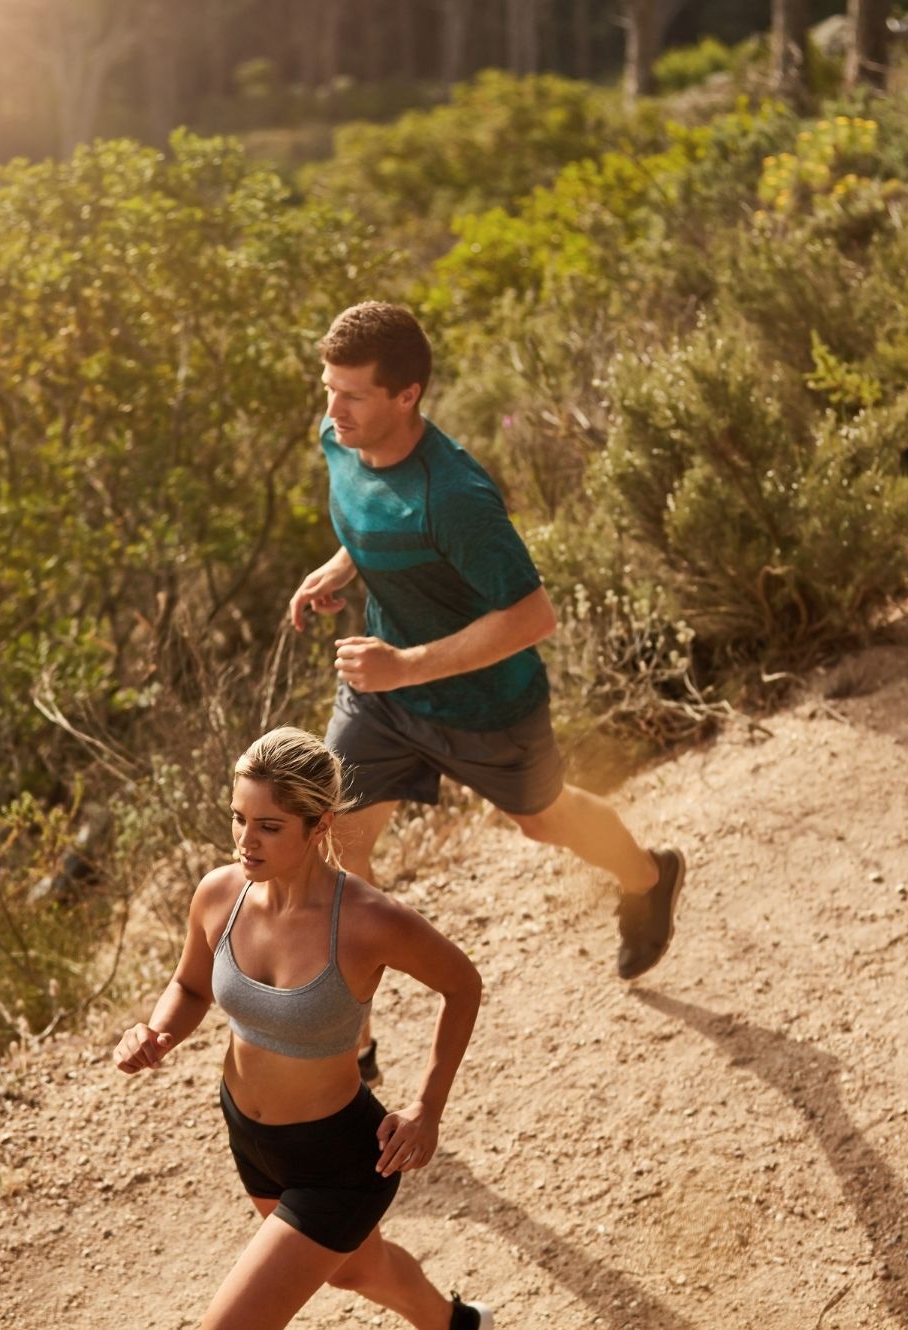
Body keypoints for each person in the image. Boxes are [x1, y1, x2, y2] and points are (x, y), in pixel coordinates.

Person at [288, 302, 685, 1055]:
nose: (333, 410)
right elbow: (366, 517)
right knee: (335, 836)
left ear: (407, 395)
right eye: (327, 387)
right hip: (381, 697)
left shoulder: (456, 498)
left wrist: (406, 663)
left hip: (484, 705)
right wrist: (343, 565)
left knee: (543, 820)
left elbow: (534, 617)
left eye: (353, 394)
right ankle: (353, 1048)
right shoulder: (340, 439)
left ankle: (648, 877)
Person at [114, 728, 492, 1330]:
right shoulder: (219, 894)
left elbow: (462, 986)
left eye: (269, 826)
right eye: (239, 817)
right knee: (354, 1269)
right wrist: (156, 1032)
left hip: (337, 1162)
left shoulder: (369, 920)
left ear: (319, 826)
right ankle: (457, 1325)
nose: (245, 840)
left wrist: (427, 1107)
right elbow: (190, 987)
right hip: (252, 1141)